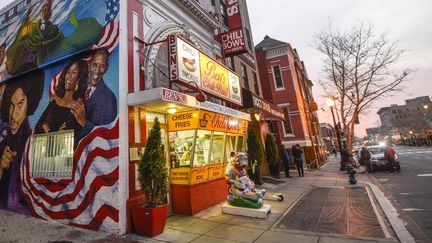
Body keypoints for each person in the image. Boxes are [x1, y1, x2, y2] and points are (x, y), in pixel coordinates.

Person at [0, 64, 44, 213]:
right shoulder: (3, 134)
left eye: (20, 105)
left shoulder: (30, 141)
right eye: (12, 105)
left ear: (29, 103)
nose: (14, 114)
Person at [34, 59, 88, 140]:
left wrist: (47, 129)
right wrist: (53, 132)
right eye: (68, 72)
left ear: (78, 79)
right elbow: (39, 125)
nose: (68, 77)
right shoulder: (55, 101)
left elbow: (65, 136)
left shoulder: (76, 108)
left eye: (73, 73)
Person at [71, 48, 117, 141]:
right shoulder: (79, 89)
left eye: (102, 66)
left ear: (106, 68)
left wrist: (83, 122)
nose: (97, 70)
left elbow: (106, 136)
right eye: (94, 65)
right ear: (89, 65)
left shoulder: (109, 98)